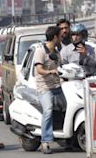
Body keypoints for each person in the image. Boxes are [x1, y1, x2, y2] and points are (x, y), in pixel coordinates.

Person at [34, 26, 63, 154]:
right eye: (60, 36)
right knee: (48, 110)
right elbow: (39, 69)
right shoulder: (40, 51)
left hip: (58, 86)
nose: (61, 38)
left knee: (68, 107)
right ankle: (45, 141)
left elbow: (61, 68)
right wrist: (50, 71)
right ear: (55, 37)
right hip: (44, 88)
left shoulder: (56, 52)